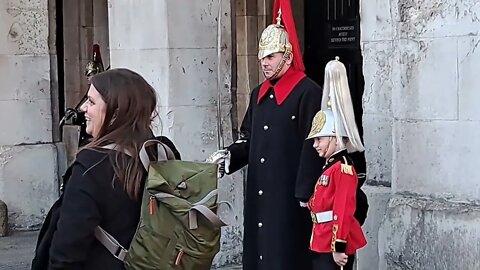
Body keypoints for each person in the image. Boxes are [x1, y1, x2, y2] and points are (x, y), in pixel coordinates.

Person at [209, 3, 323, 270]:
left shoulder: (308, 92)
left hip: (290, 195)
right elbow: (248, 138)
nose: (264, 63)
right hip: (261, 192)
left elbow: (313, 145)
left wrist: (305, 192)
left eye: (271, 56)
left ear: (287, 55)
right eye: (262, 57)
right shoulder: (258, 94)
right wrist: (229, 156)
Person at [32, 68, 157, 270]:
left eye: (91, 102)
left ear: (116, 112)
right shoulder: (158, 152)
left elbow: (68, 248)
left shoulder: (92, 166)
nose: (82, 108)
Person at [305, 58, 367, 270]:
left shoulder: (343, 168)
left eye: (319, 139)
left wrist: (338, 246)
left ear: (334, 137)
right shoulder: (330, 167)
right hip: (321, 239)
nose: (315, 145)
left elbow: (343, 209)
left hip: (334, 243)